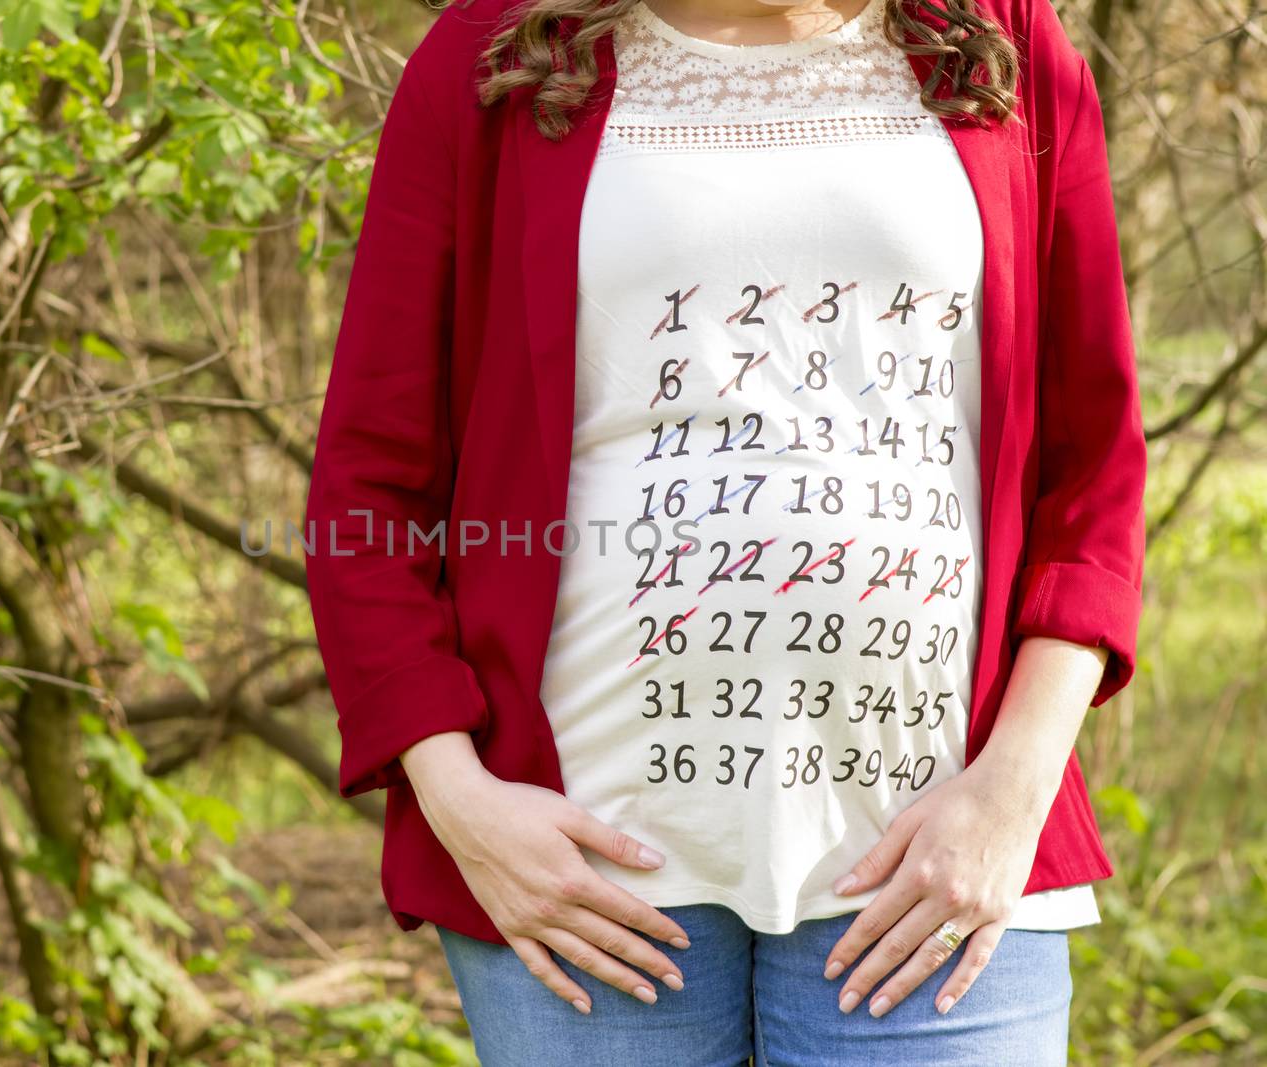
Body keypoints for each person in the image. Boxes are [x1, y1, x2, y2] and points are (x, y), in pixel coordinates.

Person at [303, 0, 1146, 1061]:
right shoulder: (501, 61)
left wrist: (1013, 785)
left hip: (938, 853)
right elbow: (369, 482)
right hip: (584, 867)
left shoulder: (999, 44)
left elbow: (1094, 461)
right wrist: (457, 794)